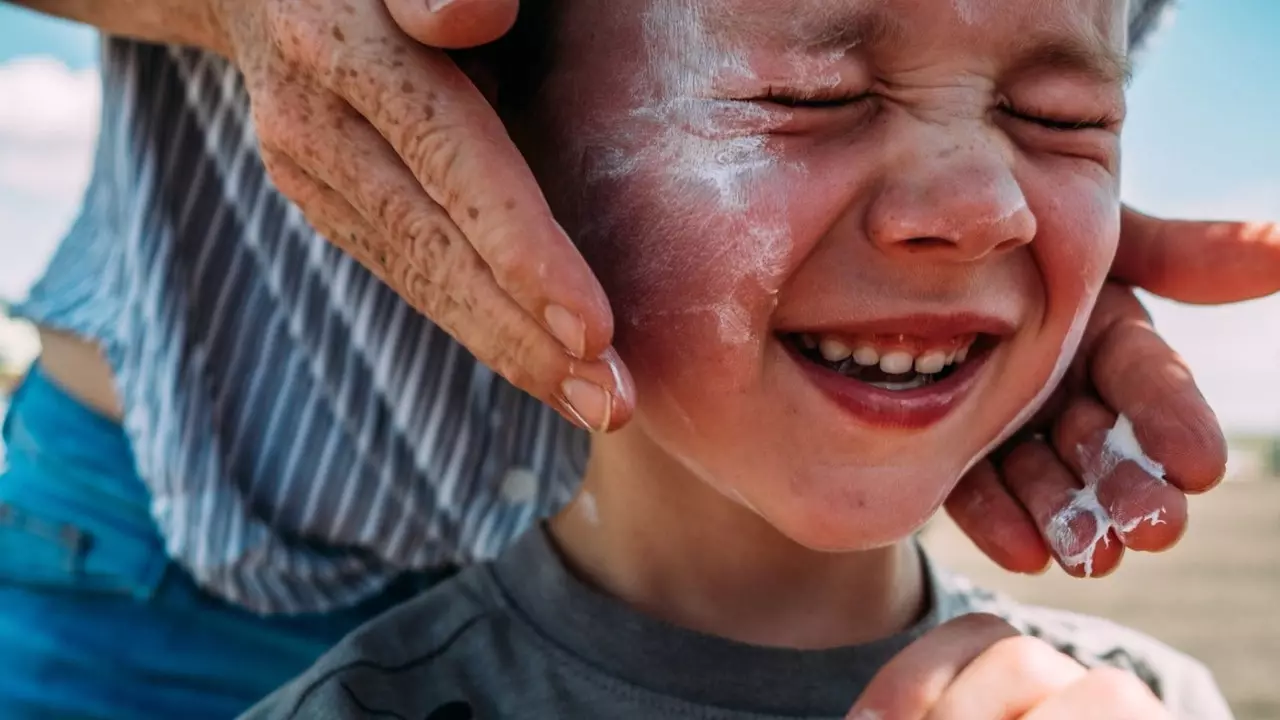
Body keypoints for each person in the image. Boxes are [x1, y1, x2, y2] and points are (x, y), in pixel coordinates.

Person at [0, 0, 1274, 716]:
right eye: (803, 99)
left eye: (1059, 119)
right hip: (173, 529)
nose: (981, 203)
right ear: (501, 126)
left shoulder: (1136, 698)